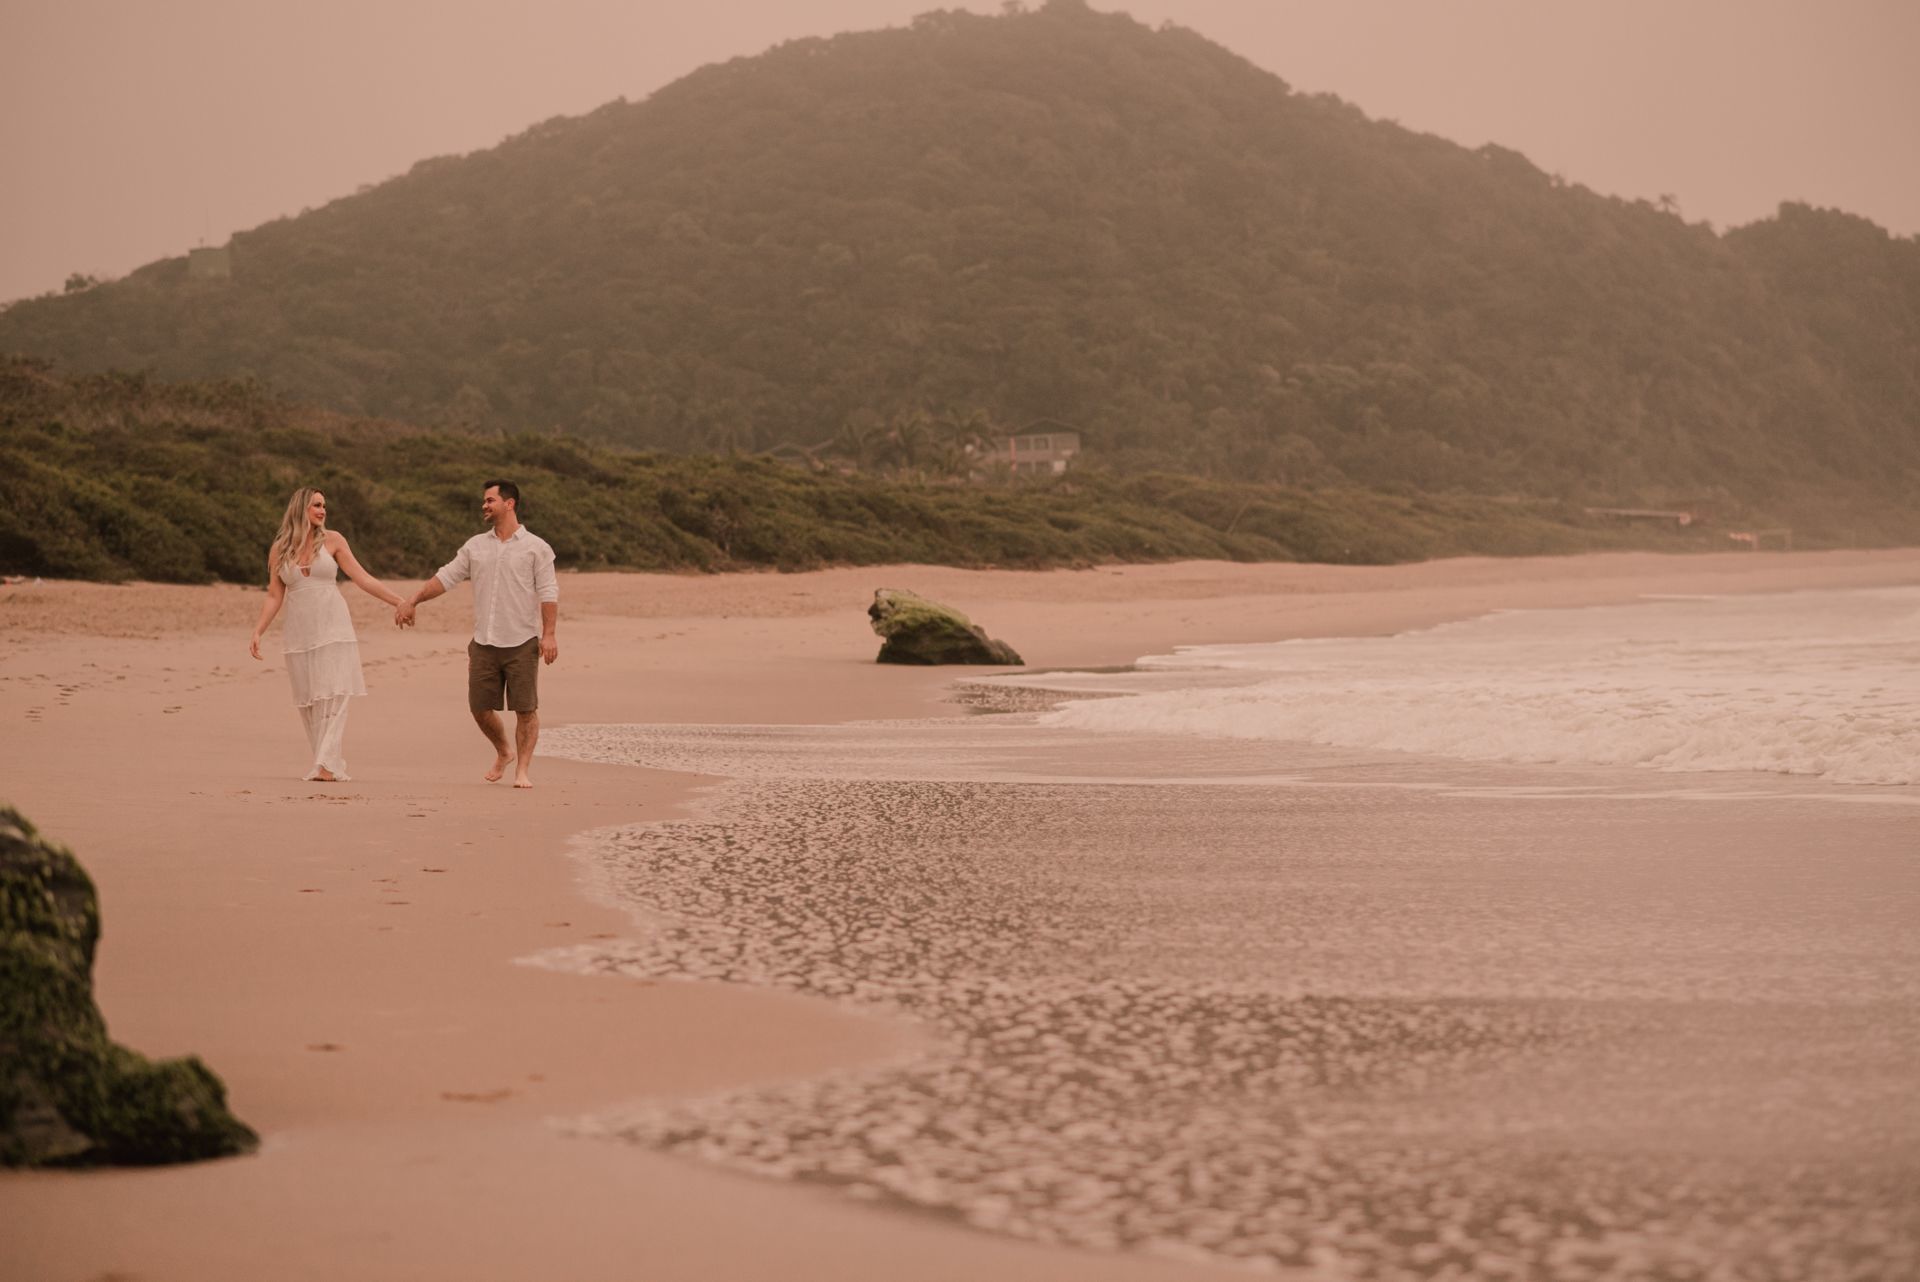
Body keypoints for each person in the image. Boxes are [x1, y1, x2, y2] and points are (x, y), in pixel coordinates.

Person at [396, 479, 559, 788]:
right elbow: (445, 577)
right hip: (484, 642)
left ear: (509, 504)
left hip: (522, 642)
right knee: (479, 708)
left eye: (490, 500)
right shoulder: (475, 546)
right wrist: (413, 600)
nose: (484, 505)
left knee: (526, 709)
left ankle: (522, 770)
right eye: (484, 501)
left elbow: (549, 592)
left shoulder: (536, 548)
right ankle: (503, 751)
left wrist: (549, 635)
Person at [249, 486, 407, 781]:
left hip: (334, 626)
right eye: (317, 505)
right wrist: (258, 630)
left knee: (336, 692)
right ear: (300, 509)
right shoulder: (279, 548)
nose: (322, 510)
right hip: (300, 632)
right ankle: (326, 762)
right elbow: (274, 596)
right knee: (310, 699)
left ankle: (324, 763)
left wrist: (398, 600)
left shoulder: (333, 541)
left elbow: (361, 577)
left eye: (324, 506)